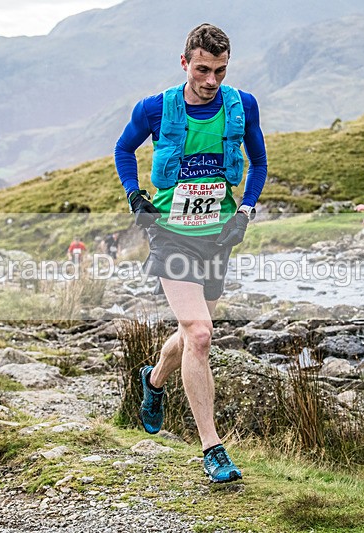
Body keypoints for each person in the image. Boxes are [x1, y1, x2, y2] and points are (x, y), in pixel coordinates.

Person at [113, 23, 267, 483]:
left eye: (220, 71)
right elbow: (124, 149)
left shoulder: (243, 107)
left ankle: (154, 379)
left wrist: (245, 211)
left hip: (218, 234)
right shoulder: (156, 108)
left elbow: (258, 163)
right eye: (202, 69)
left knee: (190, 331)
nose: (211, 80)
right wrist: (133, 195)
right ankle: (212, 448)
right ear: (185, 63)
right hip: (170, 233)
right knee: (200, 334)